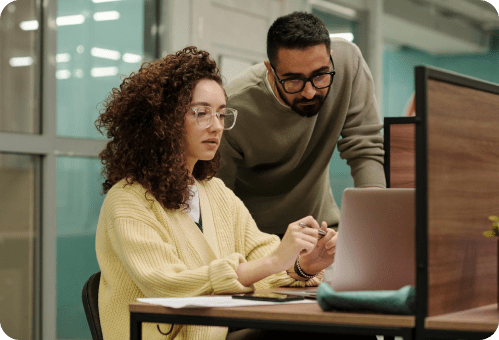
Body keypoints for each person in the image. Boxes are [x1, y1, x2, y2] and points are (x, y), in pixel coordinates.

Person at [94, 46, 338, 340]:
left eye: (222, 115)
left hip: (218, 335)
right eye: (201, 113)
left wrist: (302, 264)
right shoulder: (127, 200)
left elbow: (261, 264)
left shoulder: (216, 192)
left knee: (338, 332)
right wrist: (274, 261)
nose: (216, 126)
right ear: (164, 120)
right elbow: (167, 286)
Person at [217, 12, 386, 237]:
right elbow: (216, 198)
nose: (309, 92)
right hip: (259, 244)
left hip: (321, 232)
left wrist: (373, 228)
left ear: (331, 58)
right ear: (270, 70)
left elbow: (365, 147)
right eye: (294, 80)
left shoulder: (348, 63)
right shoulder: (232, 110)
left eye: (320, 75)